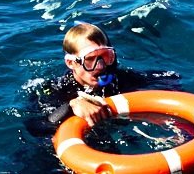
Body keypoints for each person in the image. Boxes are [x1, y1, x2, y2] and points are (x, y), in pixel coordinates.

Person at [26, 22, 177, 135]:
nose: (100, 66)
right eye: (90, 60)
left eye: (105, 56)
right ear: (71, 62)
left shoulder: (118, 78)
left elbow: (169, 78)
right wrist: (70, 106)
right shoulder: (55, 89)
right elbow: (37, 128)